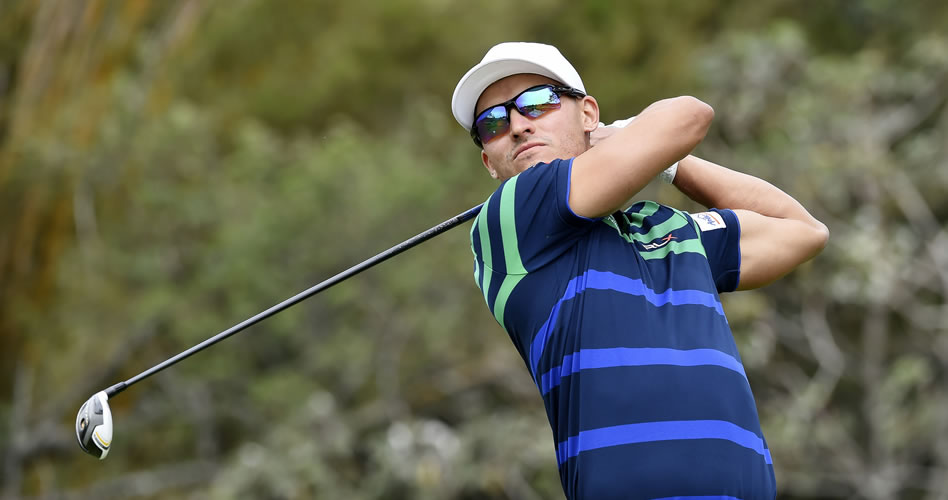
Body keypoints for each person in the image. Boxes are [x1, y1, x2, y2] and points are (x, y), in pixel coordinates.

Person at [451, 42, 829, 499]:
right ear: (489, 162)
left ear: (588, 113)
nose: (516, 125)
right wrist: (636, 140)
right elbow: (687, 116)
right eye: (492, 122)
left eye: (536, 101)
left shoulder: (666, 227)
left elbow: (802, 231)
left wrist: (671, 165)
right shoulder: (510, 218)